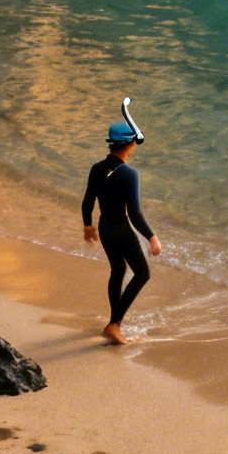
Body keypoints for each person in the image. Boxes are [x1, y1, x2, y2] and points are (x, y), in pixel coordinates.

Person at [81, 98, 161, 344]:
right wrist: (151, 237)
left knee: (118, 270)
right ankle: (114, 324)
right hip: (122, 230)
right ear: (130, 145)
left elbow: (87, 201)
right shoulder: (129, 174)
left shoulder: (96, 168)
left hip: (105, 228)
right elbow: (134, 213)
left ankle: (113, 323)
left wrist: (88, 226)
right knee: (142, 273)